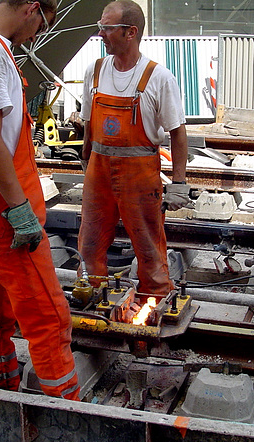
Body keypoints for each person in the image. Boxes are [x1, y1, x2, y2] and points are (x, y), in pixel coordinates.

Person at [0, 0, 79, 400]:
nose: (38, 35)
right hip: (1, 208)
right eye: (43, 24)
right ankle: (69, 412)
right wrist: (19, 211)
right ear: (32, 8)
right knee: (47, 314)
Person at [78, 0, 191, 295]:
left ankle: (154, 304)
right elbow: (89, 124)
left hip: (140, 178)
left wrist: (178, 183)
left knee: (149, 248)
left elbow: (178, 134)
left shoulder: (158, 77)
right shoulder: (96, 71)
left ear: (130, 32)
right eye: (100, 27)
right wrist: (85, 158)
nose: (100, 34)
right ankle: (92, 298)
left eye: (107, 28)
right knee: (89, 246)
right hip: (98, 174)